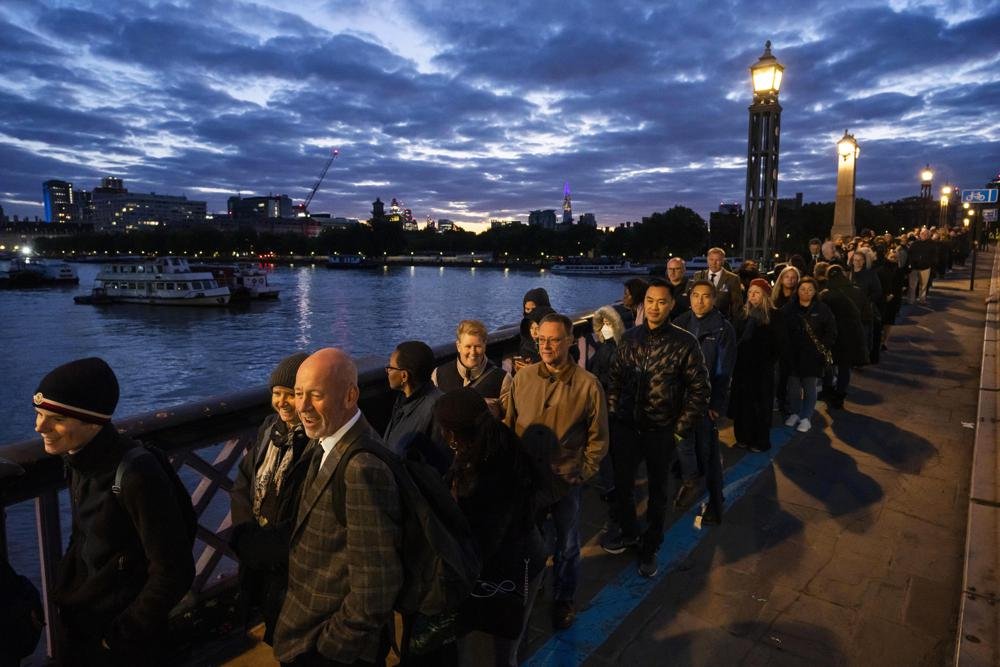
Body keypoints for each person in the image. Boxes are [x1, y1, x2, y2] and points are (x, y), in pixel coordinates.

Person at [34, 358, 194, 665]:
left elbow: (174, 569)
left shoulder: (135, 473)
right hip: (83, 621)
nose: (40, 427)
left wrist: (123, 634)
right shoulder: (79, 459)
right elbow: (85, 536)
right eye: (39, 414)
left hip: (120, 638)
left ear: (92, 422)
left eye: (55, 419)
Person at [274, 348, 402, 667]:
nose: (301, 406)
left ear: (350, 396)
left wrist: (330, 649)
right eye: (298, 393)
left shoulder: (361, 467)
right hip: (308, 633)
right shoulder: (328, 441)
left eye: (315, 395)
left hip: (330, 648)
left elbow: (377, 584)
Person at [504, 313, 609, 630]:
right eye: (542, 339)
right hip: (527, 481)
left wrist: (582, 472)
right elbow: (509, 424)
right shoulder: (523, 378)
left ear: (568, 341)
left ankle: (564, 597)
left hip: (565, 482)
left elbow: (599, 438)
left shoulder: (588, 386)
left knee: (567, 545)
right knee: (526, 541)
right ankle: (526, 591)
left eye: (554, 339)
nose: (546, 346)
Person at [602, 279, 710, 577]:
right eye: (650, 300)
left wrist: (679, 429)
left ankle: (649, 547)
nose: (654, 307)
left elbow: (699, 391)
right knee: (622, 487)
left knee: (658, 491)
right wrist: (614, 414)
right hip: (627, 427)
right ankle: (628, 532)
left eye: (661, 301)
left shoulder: (684, 342)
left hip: (661, 430)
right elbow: (615, 380)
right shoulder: (630, 338)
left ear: (672, 305)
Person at [434, 388, 545, 667]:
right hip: (526, 555)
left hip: (512, 567)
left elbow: (485, 538)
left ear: (453, 434)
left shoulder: (489, 471)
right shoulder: (495, 439)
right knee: (508, 646)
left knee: (497, 653)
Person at [230, 352, 313, 646]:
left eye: (290, 394)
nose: (282, 402)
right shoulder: (269, 429)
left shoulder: (314, 440)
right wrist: (243, 531)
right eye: (277, 394)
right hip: (259, 549)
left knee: (293, 634)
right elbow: (243, 481)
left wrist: (269, 545)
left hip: (290, 559)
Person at [670, 280, 736, 524]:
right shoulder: (680, 323)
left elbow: (723, 371)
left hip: (704, 401)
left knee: (708, 454)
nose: (699, 300)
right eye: (695, 295)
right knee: (682, 442)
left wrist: (716, 405)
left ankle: (715, 505)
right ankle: (690, 480)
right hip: (680, 400)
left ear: (714, 298)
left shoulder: (722, 329)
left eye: (706, 296)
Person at [729, 278, 780, 452]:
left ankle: (759, 440)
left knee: (760, 406)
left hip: (762, 369)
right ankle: (743, 437)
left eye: (756, 293)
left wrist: (769, 361)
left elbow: (779, 344)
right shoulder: (743, 315)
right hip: (743, 368)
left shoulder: (774, 316)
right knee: (743, 404)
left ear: (765, 295)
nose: (752, 296)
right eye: (750, 292)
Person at [781, 278, 837, 432]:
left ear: (815, 292)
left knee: (809, 387)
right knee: (793, 386)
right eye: (802, 289)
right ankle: (795, 413)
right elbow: (782, 330)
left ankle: (806, 417)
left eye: (809, 289)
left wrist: (822, 347)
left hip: (813, 356)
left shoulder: (822, 309)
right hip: (793, 354)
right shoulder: (788, 308)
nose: (805, 292)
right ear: (797, 290)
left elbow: (831, 331)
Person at [384, 340, 448, 473]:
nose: (388, 371)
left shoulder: (435, 408)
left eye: (391, 367)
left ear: (404, 376)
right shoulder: (402, 401)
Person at [432, 319, 511, 417]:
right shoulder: (438, 375)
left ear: (485, 345)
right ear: (458, 346)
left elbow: (508, 419)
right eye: (468, 347)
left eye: (477, 346)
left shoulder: (502, 379)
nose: (473, 352)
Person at [819, 266, 868, 409]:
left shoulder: (825, 294)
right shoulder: (857, 291)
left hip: (832, 335)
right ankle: (840, 395)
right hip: (851, 335)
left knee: (829, 364)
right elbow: (866, 315)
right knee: (845, 368)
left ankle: (827, 390)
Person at [692, 247, 744, 320]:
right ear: (707, 260)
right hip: (700, 320)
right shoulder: (698, 276)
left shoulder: (733, 278)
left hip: (723, 321)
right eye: (711, 259)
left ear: (723, 261)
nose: (714, 263)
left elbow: (737, 305)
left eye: (718, 260)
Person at [907, 228, 936, 305]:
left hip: (925, 267)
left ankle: (922, 300)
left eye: (926, 234)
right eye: (922, 234)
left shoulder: (931, 244)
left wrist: (929, 263)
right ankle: (911, 300)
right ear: (920, 234)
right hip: (914, 267)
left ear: (928, 235)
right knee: (912, 285)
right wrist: (911, 263)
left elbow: (934, 256)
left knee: (923, 285)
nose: (924, 235)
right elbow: (910, 254)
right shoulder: (915, 244)